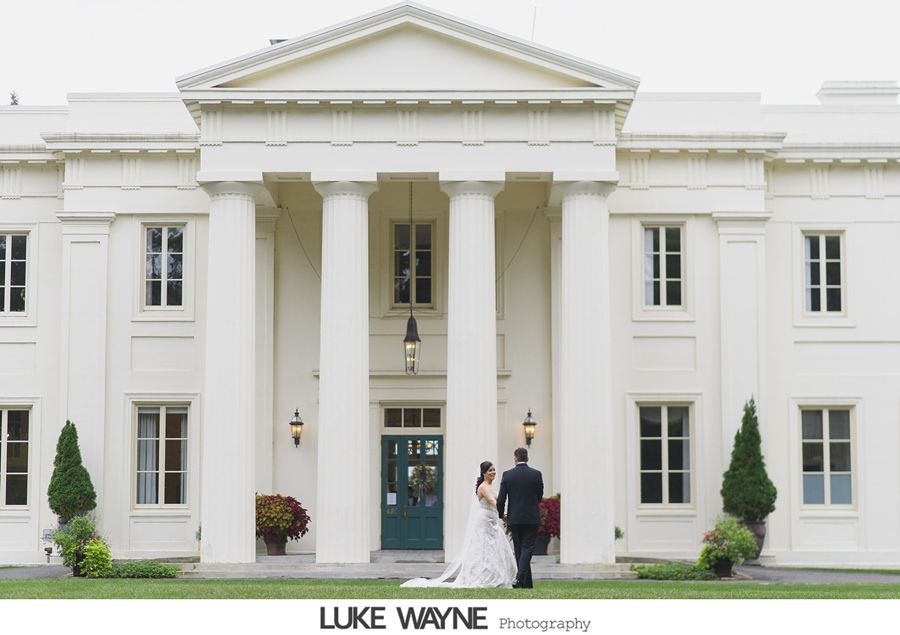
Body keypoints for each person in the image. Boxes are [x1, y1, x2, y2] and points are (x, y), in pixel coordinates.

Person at [401, 461, 517, 588]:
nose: (493, 472)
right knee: (483, 547)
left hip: (493, 519)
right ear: (484, 473)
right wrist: (504, 513)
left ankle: (497, 575)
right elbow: (491, 500)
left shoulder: (491, 486)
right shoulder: (483, 487)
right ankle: (482, 576)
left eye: (494, 469)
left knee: (495, 547)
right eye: (490, 470)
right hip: (484, 520)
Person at [496, 447, 544, 589]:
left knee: (519, 549)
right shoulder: (536, 474)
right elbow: (539, 496)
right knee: (527, 548)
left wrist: (501, 515)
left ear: (515, 458)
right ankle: (521, 580)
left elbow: (501, 500)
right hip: (531, 517)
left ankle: (523, 582)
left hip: (514, 518)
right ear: (527, 458)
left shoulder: (507, 475)